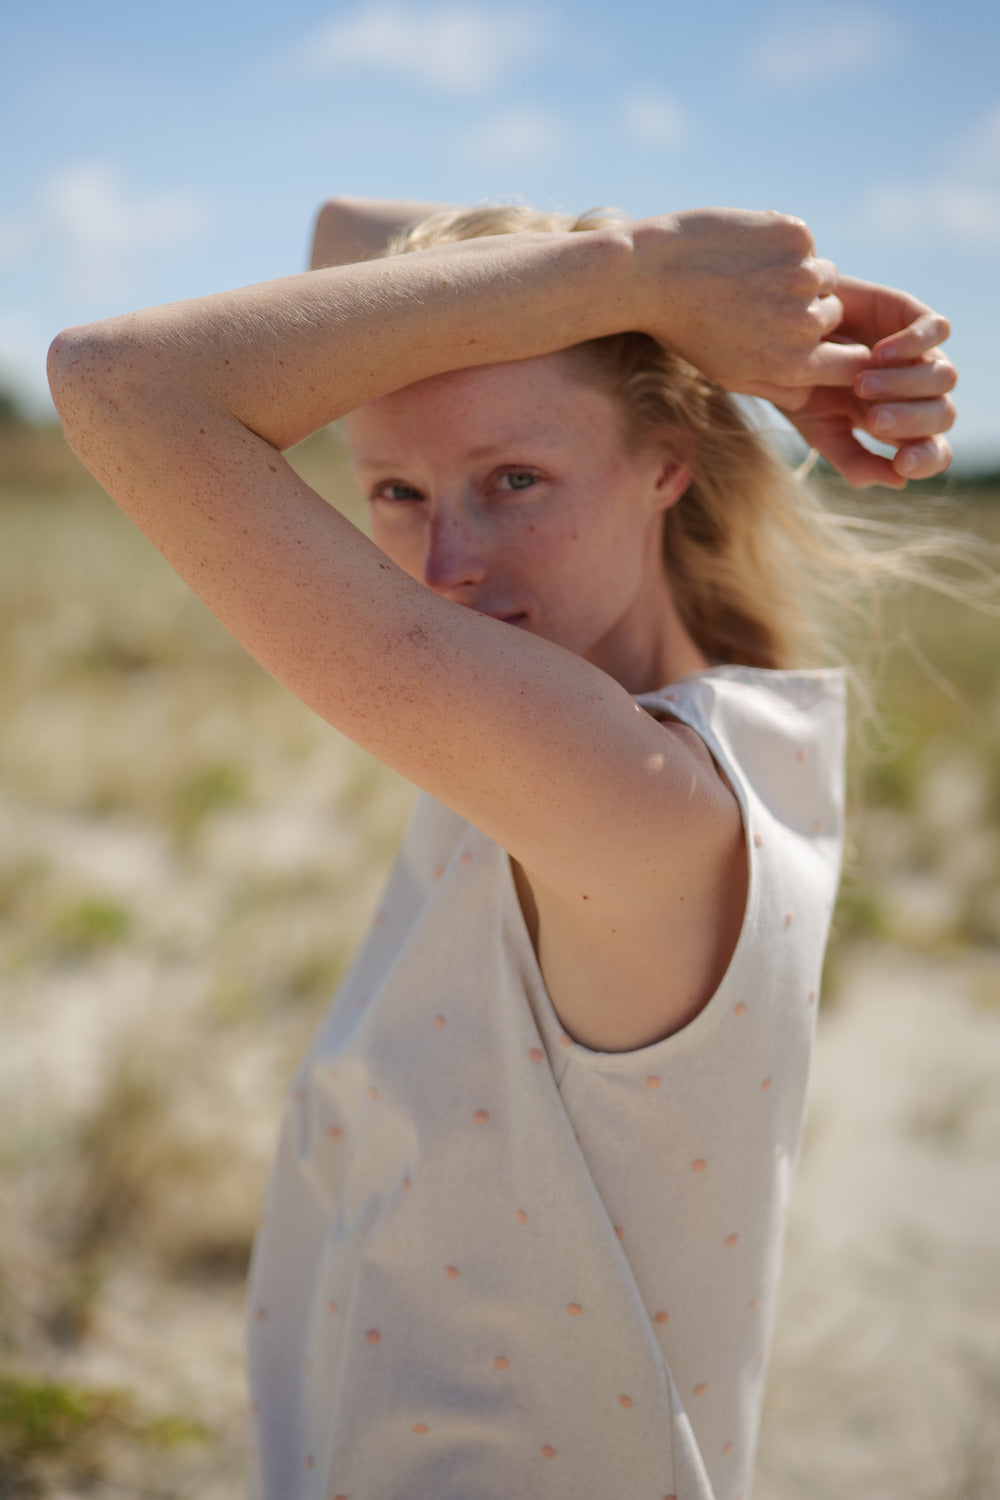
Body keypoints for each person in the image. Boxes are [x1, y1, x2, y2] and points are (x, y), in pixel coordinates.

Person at [48, 198, 958, 1500]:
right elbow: (340, 236)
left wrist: (661, 288)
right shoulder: (683, 724)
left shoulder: (619, 788)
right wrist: (728, 315)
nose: (447, 563)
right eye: (396, 491)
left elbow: (118, 383)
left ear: (667, 462)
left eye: (513, 480)